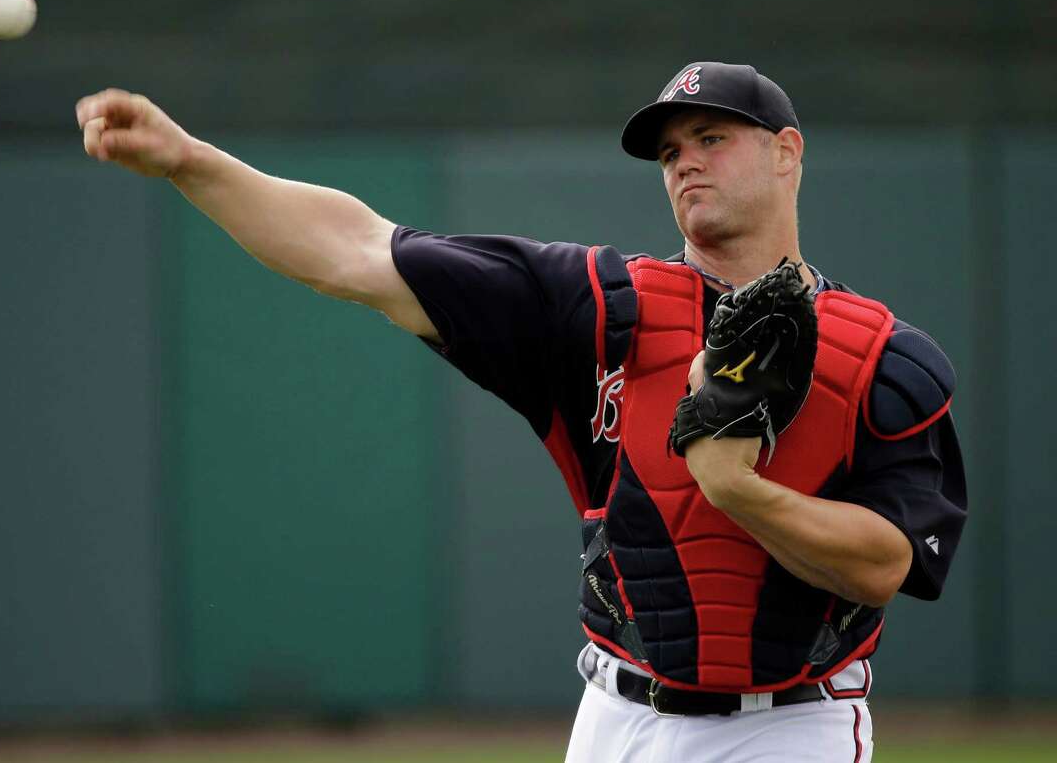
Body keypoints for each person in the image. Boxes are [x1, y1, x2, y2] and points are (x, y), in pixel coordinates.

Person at [77, 61, 967, 762]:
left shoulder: (883, 355)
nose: (685, 160)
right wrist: (190, 161)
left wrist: (738, 492)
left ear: (786, 152)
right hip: (616, 718)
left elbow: (888, 565)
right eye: (669, 152)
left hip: (787, 730)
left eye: (711, 137)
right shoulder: (595, 307)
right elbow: (355, 250)